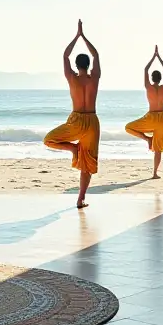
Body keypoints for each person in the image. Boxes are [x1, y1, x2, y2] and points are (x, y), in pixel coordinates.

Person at [44, 20, 100, 209]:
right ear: (89, 64)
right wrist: (84, 37)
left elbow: (65, 54)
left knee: (49, 139)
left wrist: (76, 37)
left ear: (76, 65)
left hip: (77, 120)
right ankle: (80, 198)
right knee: (88, 165)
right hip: (92, 122)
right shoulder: (95, 78)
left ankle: (72, 149)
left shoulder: (71, 78)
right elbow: (96, 54)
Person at [125, 46, 163, 179]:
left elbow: (145, 69)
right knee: (158, 149)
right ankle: (155, 173)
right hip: (162, 118)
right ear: (161, 79)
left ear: (151, 78)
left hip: (151, 116)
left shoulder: (148, 87)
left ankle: (147, 138)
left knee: (128, 127)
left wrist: (153, 57)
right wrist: (159, 57)